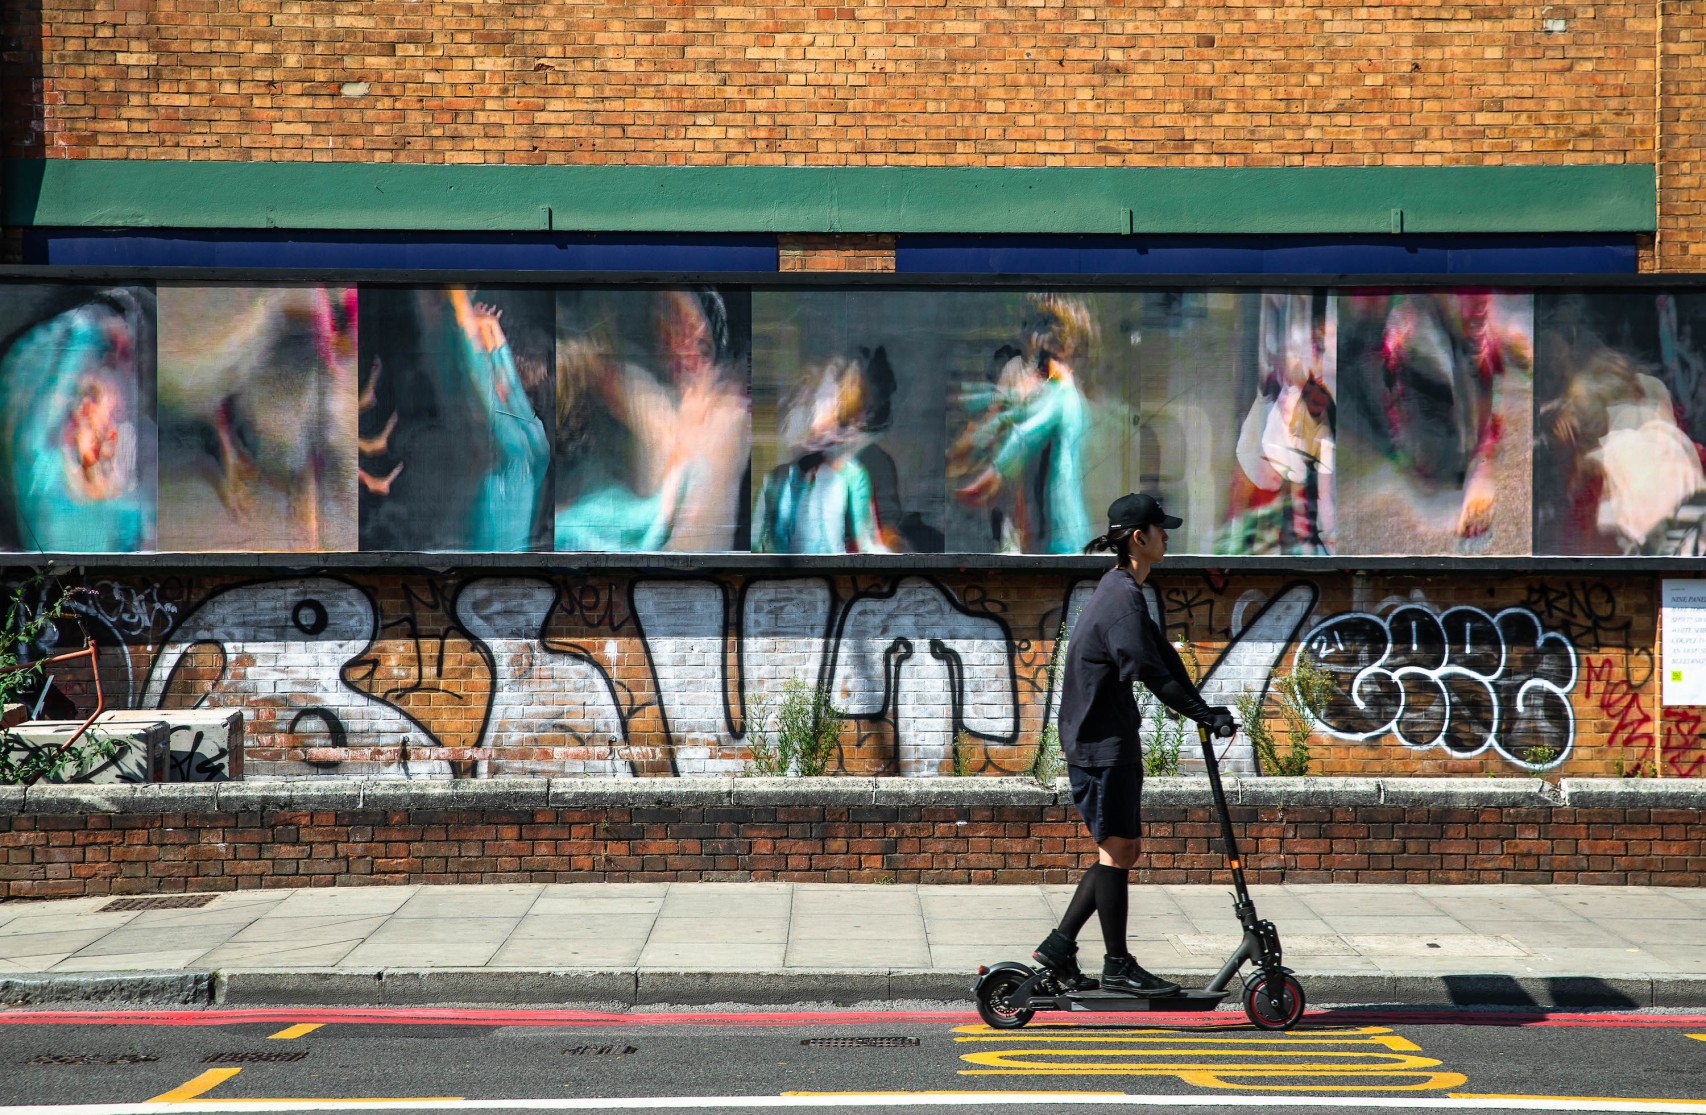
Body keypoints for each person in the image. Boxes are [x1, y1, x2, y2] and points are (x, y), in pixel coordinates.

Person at [1033, 492, 1236, 995]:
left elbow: (1164, 658)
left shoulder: (1122, 589)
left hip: (1107, 736)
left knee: (1120, 850)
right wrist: (1199, 713)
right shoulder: (1121, 598)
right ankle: (1117, 964)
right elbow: (1150, 673)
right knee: (1118, 850)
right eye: (1160, 529)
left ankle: (1059, 949)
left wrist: (1203, 708)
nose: (1168, 536)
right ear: (1138, 538)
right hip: (1099, 743)